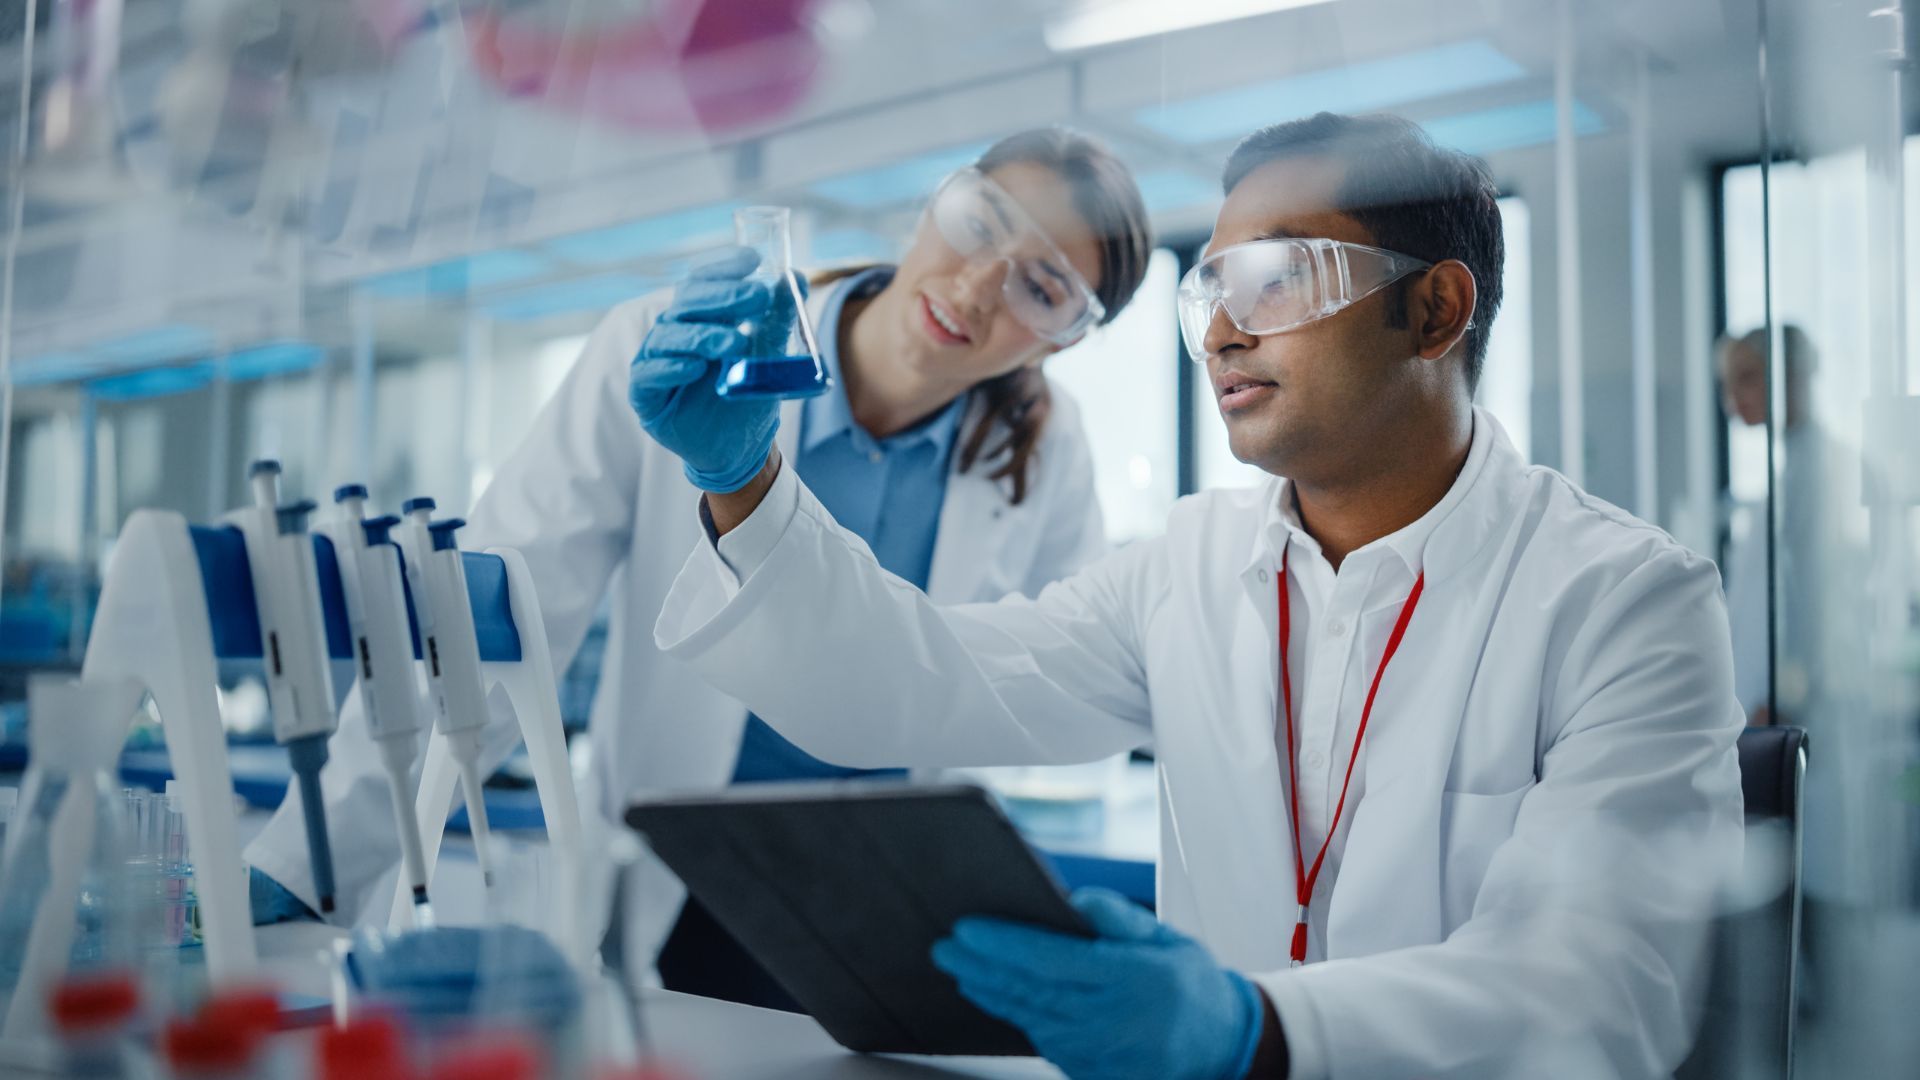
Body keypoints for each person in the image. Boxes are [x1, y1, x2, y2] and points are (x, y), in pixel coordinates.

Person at [641, 112, 1745, 1078]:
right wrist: (744, 477)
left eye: (1275, 279)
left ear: (1435, 311)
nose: (1220, 329)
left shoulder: (1627, 602)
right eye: (1210, 287)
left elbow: (1604, 990)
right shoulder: (1188, 566)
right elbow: (913, 682)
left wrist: (1254, 1031)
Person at [243, 127, 1155, 1007]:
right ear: (934, 204)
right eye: (981, 223)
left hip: (881, 888)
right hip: (683, 866)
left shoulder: (1045, 456)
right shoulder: (676, 349)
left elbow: (1047, 682)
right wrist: (313, 856)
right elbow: (496, 619)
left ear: (1066, 337)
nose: (978, 285)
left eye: (1043, 286)